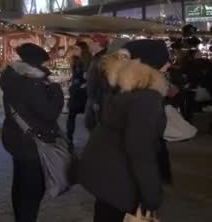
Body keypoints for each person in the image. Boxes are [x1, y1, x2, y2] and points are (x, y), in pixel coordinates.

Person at [79, 40, 172, 221]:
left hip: (107, 175)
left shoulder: (122, 87)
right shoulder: (146, 98)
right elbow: (140, 151)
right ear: (150, 65)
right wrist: (152, 195)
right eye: (165, 61)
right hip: (122, 180)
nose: (169, 65)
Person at [0, 43, 64, 222]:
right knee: (33, 189)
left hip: (15, 135)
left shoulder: (12, 76)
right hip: (31, 141)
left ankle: (20, 217)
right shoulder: (31, 82)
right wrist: (56, 90)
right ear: (36, 63)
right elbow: (49, 113)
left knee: (20, 181)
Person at [67, 42, 91, 147]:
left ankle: (91, 140)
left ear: (83, 50)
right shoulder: (75, 60)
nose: (75, 50)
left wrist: (86, 84)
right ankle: (69, 139)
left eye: (77, 48)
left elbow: (92, 77)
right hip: (75, 91)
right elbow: (75, 76)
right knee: (71, 115)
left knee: (88, 117)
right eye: (74, 48)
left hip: (84, 93)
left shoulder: (89, 61)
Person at [84, 36, 110, 131]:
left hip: (96, 98)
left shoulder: (102, 59)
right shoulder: (97, 57)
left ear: (98, 43)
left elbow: (103, 81)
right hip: (94, 97)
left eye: (91, 42)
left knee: (93, 125)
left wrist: (97, 100)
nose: (88, 45)